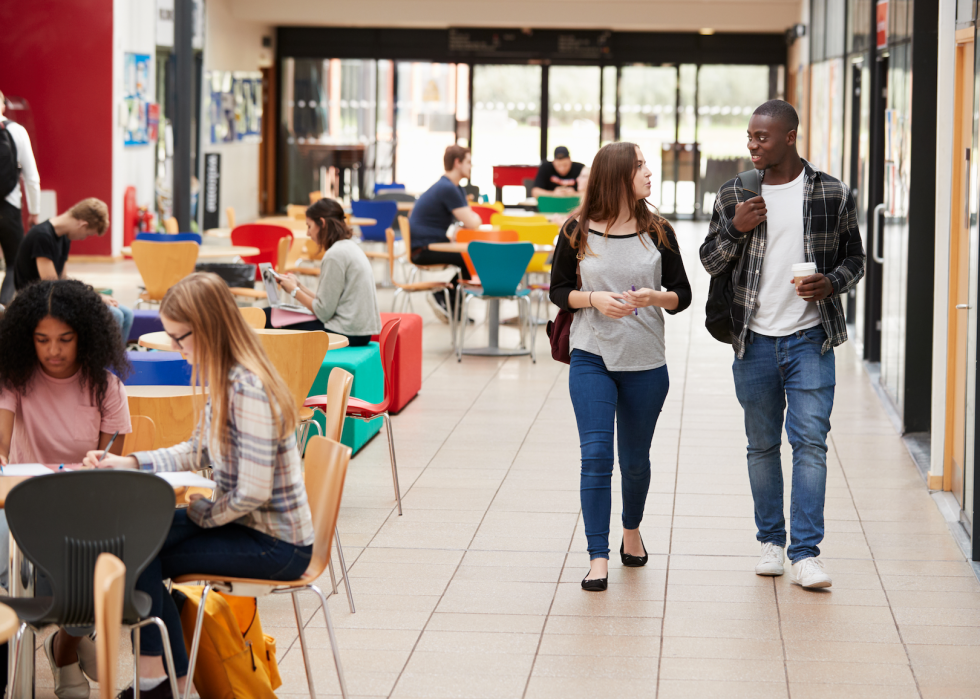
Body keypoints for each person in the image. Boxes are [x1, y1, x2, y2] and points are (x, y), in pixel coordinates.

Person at [83, 273, 314, 699]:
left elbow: (253, 493)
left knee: (135, 547)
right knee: (130, 538)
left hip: (275, 544)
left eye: (179, 337)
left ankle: (162, 681)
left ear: (207, 328)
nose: (176, 347)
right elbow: (196, 451)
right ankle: (166, 677)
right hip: (248, 525)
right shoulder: (227, 379)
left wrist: (202, 514)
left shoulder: (246, 389)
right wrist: (130, 461)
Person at [699, 100, 865, 589]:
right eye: (749, 136)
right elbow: (709, 261)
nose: (752, 145)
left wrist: (831, 282)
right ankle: (771, 541)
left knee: (810, 443)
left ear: (789, 137)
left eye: (762, 137)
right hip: (753, 339)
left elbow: (856, 258)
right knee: (762, 445)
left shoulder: (832, 193)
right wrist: (737, 227)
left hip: (811, 338)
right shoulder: (735, 193)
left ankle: (806, 553)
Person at [550, 142, 691, 592]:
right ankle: (597, 556)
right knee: (595, 457)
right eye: (640, 166)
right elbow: (558, 291)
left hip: (646, 361)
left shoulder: (658, 230)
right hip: (591, 355)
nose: (649, 172)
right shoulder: (577, 230)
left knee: (634, 462)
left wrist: (655, 297)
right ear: (617, 176)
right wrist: (593, 299)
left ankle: (631, 529)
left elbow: (682, 294)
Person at [0, 279, 132, 699]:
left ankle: (65, 646)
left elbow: (109, 463)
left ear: (86, 337)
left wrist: (96, 466)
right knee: (31, 572)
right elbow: (0, 447)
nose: (52, 350)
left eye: (64, 339)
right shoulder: (14, 380)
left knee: (94, 566)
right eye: (41, 340)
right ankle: (69, 642)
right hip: (24, 500)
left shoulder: (107, 388)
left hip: (82, 503)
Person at [14, 198, 134, 344]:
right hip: (38, 300)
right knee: (115, 315)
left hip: (53, 295)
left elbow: (63, 280)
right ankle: (102, 362)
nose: (84, 238)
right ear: (83, 224)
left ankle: (116, 361)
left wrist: (93, 295)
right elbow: (52, 285)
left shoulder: (64, 237)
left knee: (127, 314)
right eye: (88, 234)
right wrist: (93, 297)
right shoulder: (42, 236)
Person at [264, 198, 381, 346]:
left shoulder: (335, 255)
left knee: (269, 318)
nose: (308, 233)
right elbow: (327, 303)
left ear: (322, 223)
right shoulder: (348, 247)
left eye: (309, 226)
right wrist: (300, 286)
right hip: (357, 332)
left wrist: (294, 291)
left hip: (346, 333)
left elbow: (323, 312)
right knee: (275, 315)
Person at [408, 145, 482, 322]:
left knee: (469, 257)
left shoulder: (452, 187)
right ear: (457, 163)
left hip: (429, 244)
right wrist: (476, 218)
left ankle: (449, 300)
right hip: (422, 249)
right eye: (468, 162)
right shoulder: (448, 188)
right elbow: (473, 222)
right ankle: (447, 300)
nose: (471, 166)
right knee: (470, 258)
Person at [0, 89, 41, 305]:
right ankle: (3, 310)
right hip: (8, 208)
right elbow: (31, 177)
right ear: (4, 105)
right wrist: (34, 212)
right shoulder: (17, 131)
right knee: (14, 264)